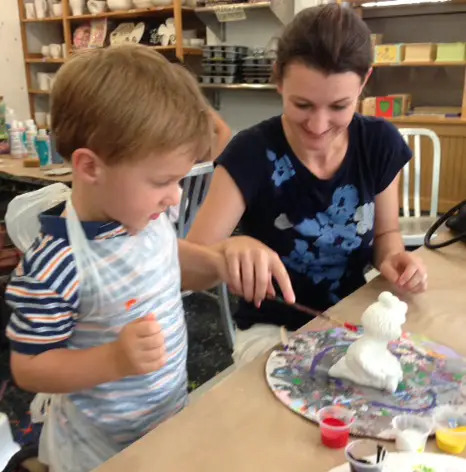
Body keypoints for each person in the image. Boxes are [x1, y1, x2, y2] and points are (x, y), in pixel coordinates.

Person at [4, 45, 293, 472]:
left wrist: (218, 260)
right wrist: (113, 360)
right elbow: (29, 367)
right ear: (89, 167)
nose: (176, 197)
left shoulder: (142, 218)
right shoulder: (56, 265)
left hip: (165, 418)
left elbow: (163, 255)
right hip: (99, 451)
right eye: (162, 181)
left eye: (179, 180)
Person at [188, 4, 428, 366]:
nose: (318, 125)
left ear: (364, 82)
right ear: (279, 79)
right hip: (272, 331)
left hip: (353, 318)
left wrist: (395, 259)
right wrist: (227, 252)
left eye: (339, 106)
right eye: (302, 104)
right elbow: (185, 267)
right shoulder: (251, 154)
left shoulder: (378, 144)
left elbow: (385, 235)